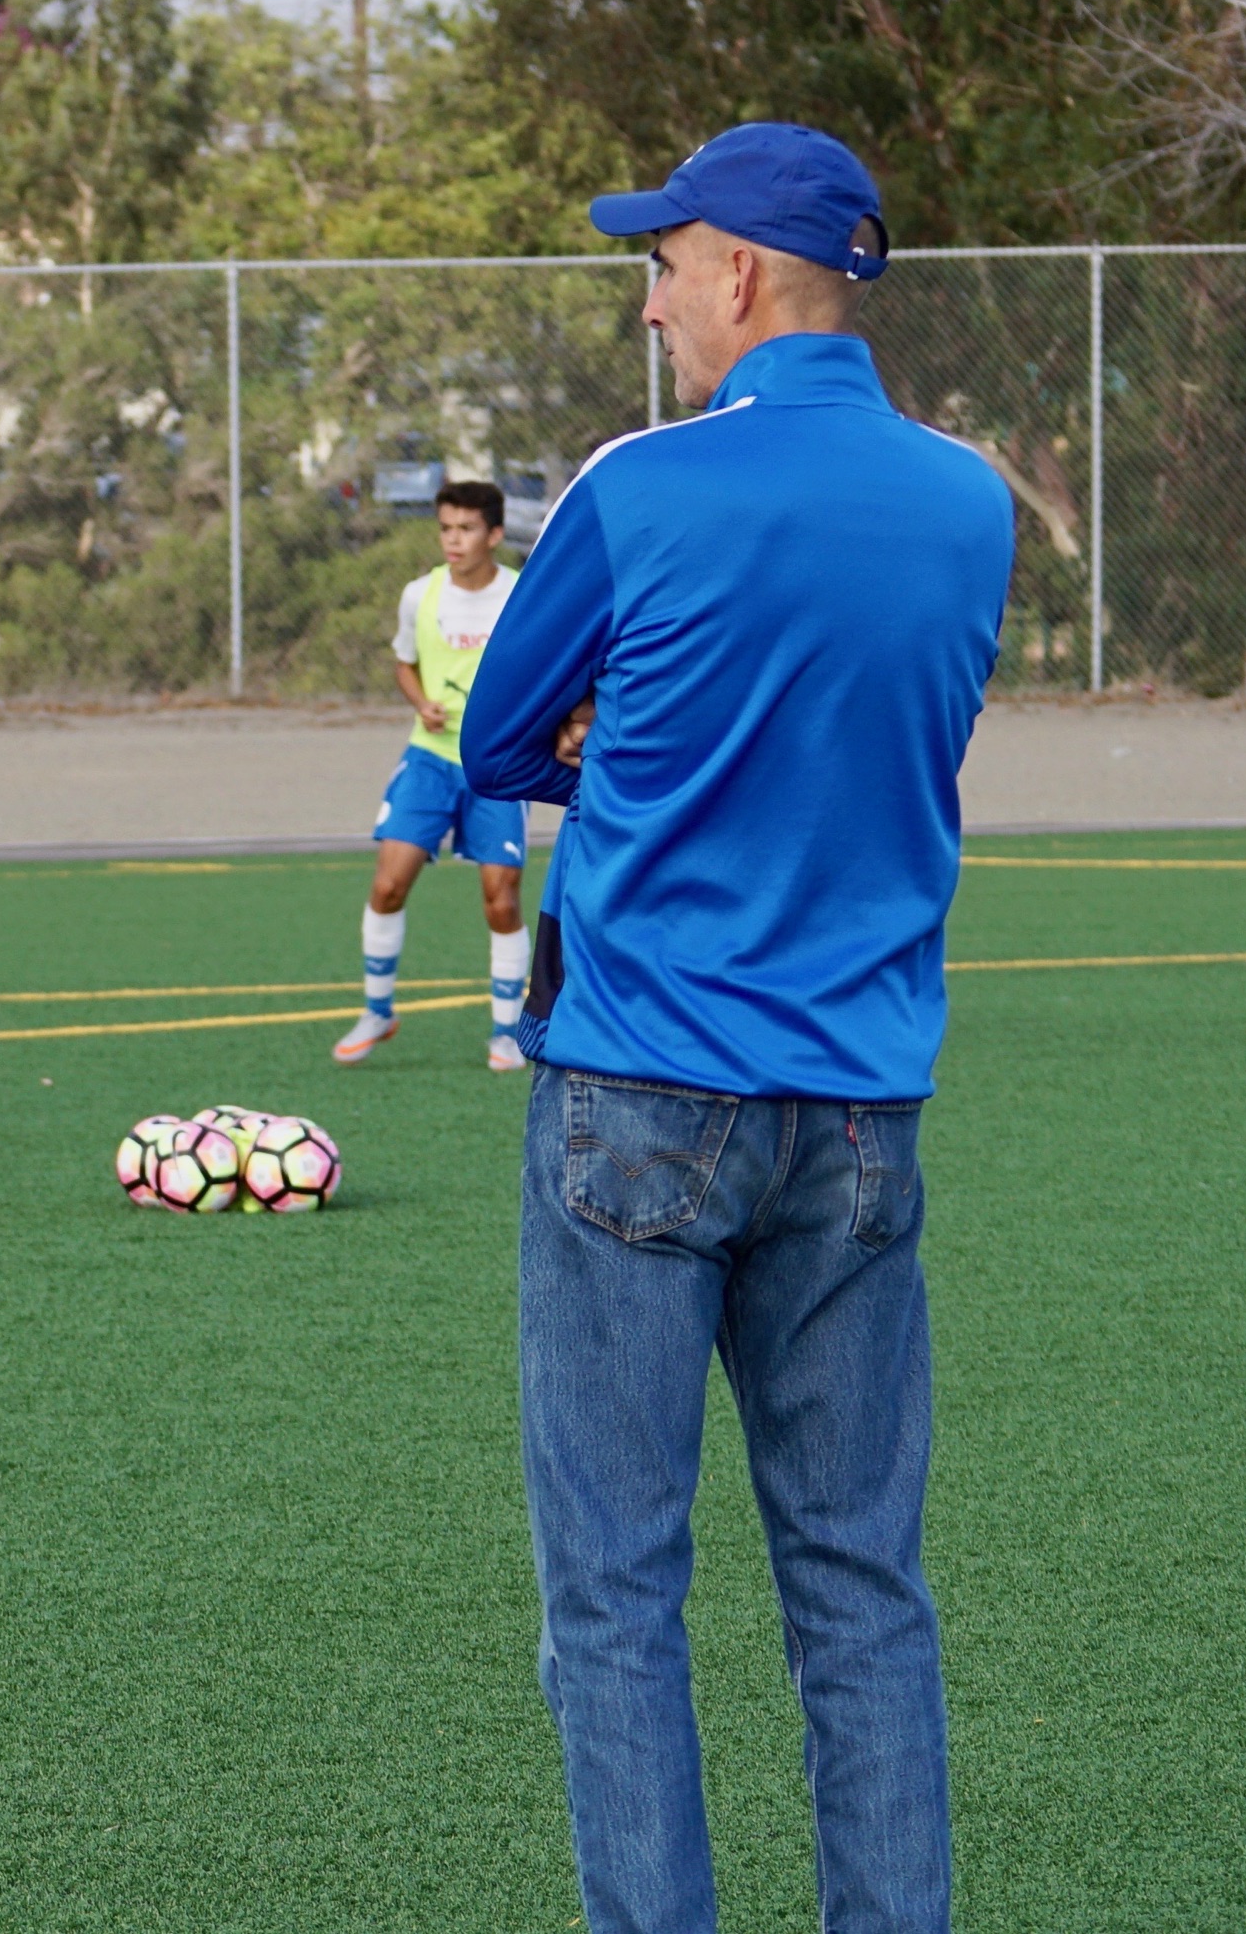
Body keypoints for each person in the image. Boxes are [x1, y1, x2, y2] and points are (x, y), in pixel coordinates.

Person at [461, 123, 1007, 1934]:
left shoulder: (640, 484)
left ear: (747, 277)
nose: (651, 293)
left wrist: (615, 753)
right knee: (863, 1589)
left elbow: (493, 744)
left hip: (640, 1091)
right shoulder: (971, 501)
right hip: (858, 1110)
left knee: (615, 1591)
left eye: (667, 260)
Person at [334, 480, 534, 1073]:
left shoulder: (522, 595)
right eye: (446, 528)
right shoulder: (419, 595)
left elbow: (541, 672)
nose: (454, 540)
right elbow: (404, 664)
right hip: (428, 758)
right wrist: (421, 701)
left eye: (467, 529)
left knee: (501, 899)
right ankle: (377, 1011)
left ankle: (505, 1032)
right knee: (388, 884)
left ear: (494, 535)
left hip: (495, 765)